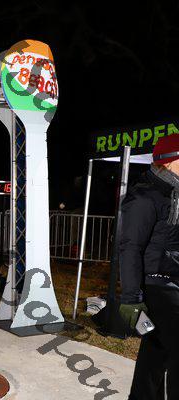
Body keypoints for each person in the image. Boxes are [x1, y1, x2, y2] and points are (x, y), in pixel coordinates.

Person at [118, 134, 179, 399]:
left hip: (172, 281)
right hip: (157, 285)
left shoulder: (173, 194)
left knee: (155, 352)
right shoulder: (144, 196)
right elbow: (130, 248)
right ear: (169, 161)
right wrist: (131, 297)